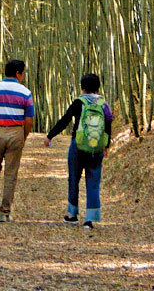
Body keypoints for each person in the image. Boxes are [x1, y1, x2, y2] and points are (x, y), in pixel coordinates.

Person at [45, 73, 113, 230]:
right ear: (98, 87)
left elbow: (65, 120)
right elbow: (108, 124)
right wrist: (106, 145)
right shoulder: (104, 104)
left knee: (74, 178)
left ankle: (73, 215)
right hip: (96, 147)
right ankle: (90, 218)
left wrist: (50, 136)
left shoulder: (79, 102)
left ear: (82, 87)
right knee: (93, 181)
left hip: (78, 145)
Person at [0, 59, 35, 222]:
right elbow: (29, 118)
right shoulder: (25, 92)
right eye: (23, 73)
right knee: (11, 173)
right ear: (18, 73)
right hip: (16, 131)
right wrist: (24, 136)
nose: (23, 76)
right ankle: (5, 212)